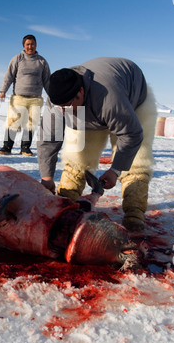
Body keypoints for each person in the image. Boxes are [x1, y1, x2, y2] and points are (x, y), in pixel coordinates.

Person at [37, 57, 157, 232]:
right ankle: (66, 200)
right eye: (59, 107)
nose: (63, 112)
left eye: (68, 106)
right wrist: (47, 178)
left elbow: (131, 134)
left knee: (136, 162)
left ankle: (134, 211)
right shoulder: (56, 101)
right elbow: (48, 139)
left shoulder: (109, 98)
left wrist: (115, 170)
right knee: (76, 156)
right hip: (91, 111)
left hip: (133, 100)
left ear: (81, 91)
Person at [0, 34, 50, 156]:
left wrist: (52, 95)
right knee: (14, 122)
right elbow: (9, 76)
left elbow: (47, 80)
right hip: (19, 98)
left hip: (35, 99)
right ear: (23, 46)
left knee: (30, 124)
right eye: (27, 44)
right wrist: (3, 91)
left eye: (32, 44)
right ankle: (7, 147)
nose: (30, 46)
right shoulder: (17, 58)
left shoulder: (42, 61)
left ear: (36, 45)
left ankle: (25, 148)